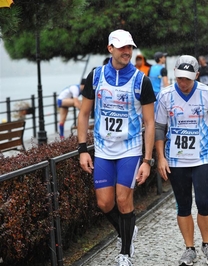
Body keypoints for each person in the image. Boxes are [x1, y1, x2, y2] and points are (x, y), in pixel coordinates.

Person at [77, 29, 156, 266]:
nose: (127, 52)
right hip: (102, 150)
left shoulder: (142, 80)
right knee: (104, 204)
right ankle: (128, 231)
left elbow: (150, 123)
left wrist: (147, 160)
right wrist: (82, 149)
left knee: (123, 200)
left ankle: (124, 254)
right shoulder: (96, 76)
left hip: (129, 150)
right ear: (110, 48)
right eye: (122, 47)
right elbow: (83, 114)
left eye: (130, 47)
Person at [155, 55, 208, 266]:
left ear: (197, 75)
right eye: (179, 78)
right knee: (183, 205)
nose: (183, 83)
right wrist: (160, 157)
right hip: (176, 160)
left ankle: (207, 244)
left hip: (203, 157)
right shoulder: (165, 95)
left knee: (204, 203)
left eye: (188, 79)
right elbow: (159, 128)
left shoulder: (207, 93)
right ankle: (189, 248)